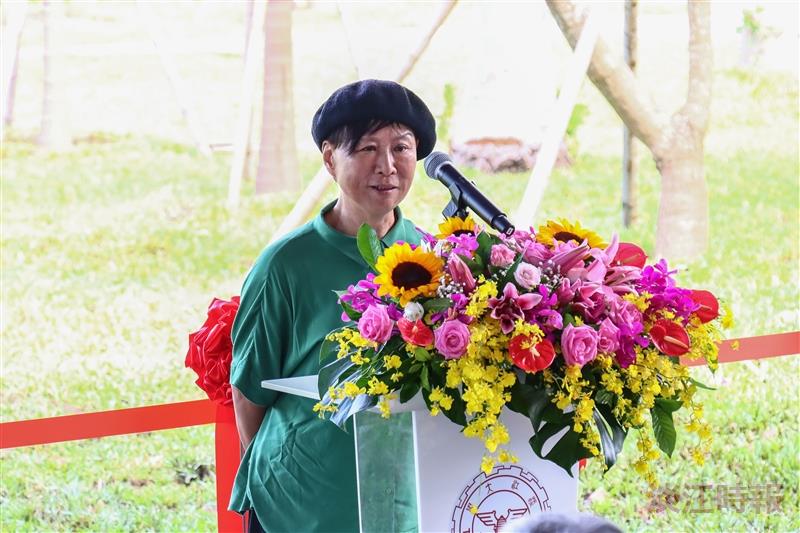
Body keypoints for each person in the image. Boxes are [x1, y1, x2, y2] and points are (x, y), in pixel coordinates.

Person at [228, 79, 437, 533]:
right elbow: (248, 393)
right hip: (303, 503)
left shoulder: (431, 256)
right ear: (329, 159)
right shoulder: (286, 265)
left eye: (401, 148)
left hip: (400, 501)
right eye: (366, 149)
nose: (387, 166)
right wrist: (293, 464)